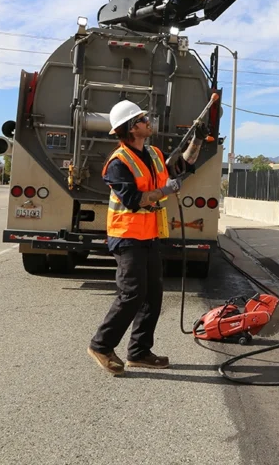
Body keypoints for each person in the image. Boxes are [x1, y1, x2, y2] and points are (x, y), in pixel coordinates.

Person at [87, 100, 209, 376]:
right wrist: (166, 190)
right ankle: (101, 345)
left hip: (150, 234)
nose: (147, 121)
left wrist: (197, 141)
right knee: (132, 294)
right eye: (141, 119)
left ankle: (139, 352)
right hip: (126, 235)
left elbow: (181, 168)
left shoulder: (153, 153)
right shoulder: (117, 163)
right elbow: (132, 200)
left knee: (153, 295)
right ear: (131, 128)